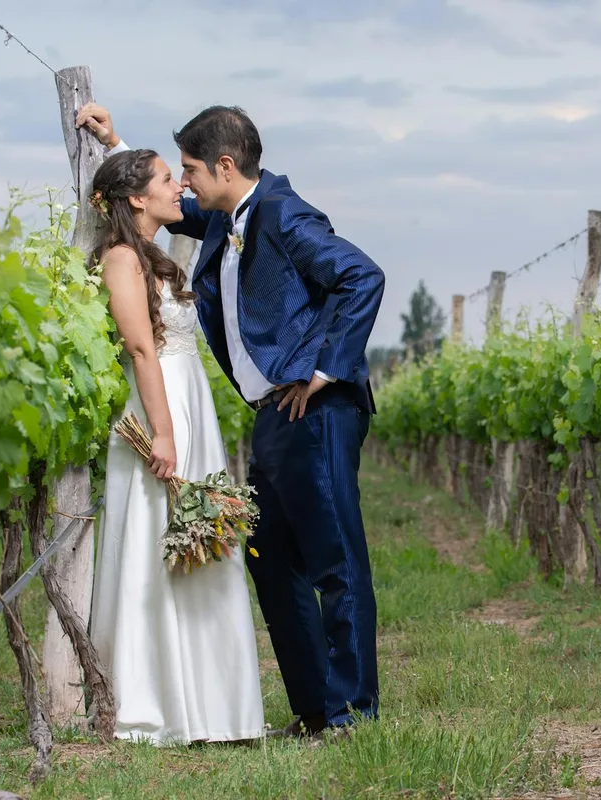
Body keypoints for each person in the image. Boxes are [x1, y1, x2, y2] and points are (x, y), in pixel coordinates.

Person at [76, 102, 385, 739]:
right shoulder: (223, 219)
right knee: (269, 557)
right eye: (176, 173)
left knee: (334, 559)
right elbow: (149, 202)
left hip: (316, 406)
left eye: (189, 170)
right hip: (272, 413)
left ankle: (353, 712)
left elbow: (362, 276)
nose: (183, 183)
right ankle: (313, 710)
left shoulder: (281, 212)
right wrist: (113, 140)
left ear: (224, 165)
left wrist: (326, 370)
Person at [85, 147, 265, 746]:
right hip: (161, 413)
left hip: (190, 408)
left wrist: (115, 143)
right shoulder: (119, 258)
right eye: (168, 180)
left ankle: (216, 705)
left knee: (200, 546)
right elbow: (141, 349)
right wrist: (162, 433)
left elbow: (140, 177)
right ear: (137, 198)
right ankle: (160, 702)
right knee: (155, 547)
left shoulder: (151, 253)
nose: (178, 188)